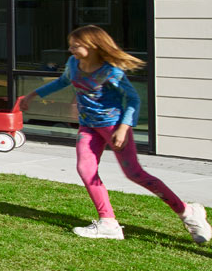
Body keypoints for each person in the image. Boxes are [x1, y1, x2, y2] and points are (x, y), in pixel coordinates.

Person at [20, 25, 209, 244]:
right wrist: (32, 95)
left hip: (114, 127)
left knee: (135, 174)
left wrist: (123, 128)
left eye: (76, 45)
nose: (70, 49)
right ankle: (108, 223)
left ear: (92, 46)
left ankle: (188, 212)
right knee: (85, 170)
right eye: (71, 45)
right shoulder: (73, 63)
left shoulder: (110, 71)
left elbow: (133, 99)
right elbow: (63, 81)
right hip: (88, 126)